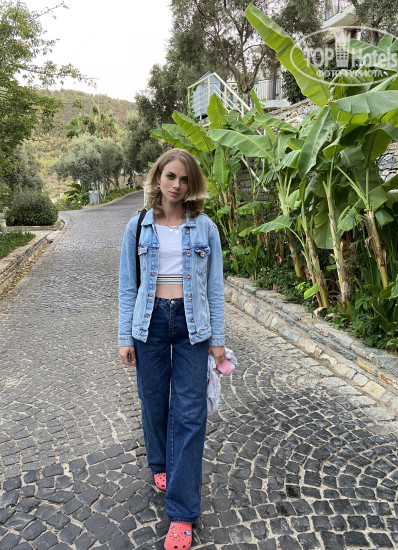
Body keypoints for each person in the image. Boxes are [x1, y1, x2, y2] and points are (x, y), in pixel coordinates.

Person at [118, 148, 226, 550]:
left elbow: (214, 287)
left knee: (190, 413)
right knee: (153, 400)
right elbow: (128, 286)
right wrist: (124, 337)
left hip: (192, 326)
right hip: (149, 324)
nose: (177, 185)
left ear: (192, 183)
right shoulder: (138, 226)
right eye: (170, 176)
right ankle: (160, 461)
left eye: (184, 179)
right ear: (157, 178)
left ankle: (182, 513)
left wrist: (218, 340)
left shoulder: (205, 228)